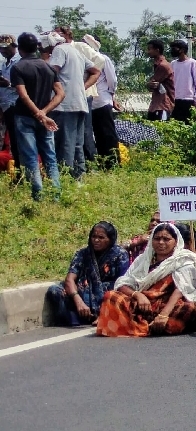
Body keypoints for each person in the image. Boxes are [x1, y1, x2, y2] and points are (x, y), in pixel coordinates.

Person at [96, 223, 196, 337]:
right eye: (157, 239)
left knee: (190, 308)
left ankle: (155, 325)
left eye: (166, 239)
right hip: (142, 305)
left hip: (168, 306)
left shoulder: (183, 260)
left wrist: (164, 314)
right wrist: (138, 295)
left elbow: (182, 289)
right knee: (111, 296)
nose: (161, 243)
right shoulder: (143, 260)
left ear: (176, 242)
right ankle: (146, 327)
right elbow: (123, 283)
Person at [9, 33, 63, 201]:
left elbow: (23, 96)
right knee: (50, 156)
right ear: (37, 47)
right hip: (46, 120)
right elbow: (61, 94)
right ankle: (56, 195)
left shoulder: (18, 68)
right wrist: (44, 113)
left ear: (20, 48)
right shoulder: (48, 67)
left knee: (31, 156)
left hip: (25, 117)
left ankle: (38, 195)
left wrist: (38, 113)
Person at [45, 222, 128, 327]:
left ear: (110, 239)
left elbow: (122, 283)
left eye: (101, 237)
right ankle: (78, 318)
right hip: (84, 294)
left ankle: (104, 316)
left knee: (111, 292)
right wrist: (78, 301)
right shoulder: (83, 254)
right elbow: (70, 279)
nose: (96, 240)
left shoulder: (120, 255)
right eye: (94, 236)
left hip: (107, 296)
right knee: (55, 290)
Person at [41, 33, 94, 181]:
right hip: (79, 102)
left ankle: (64, 178)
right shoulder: (75, 51)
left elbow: (51, 71)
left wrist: (44, 61)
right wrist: (82, 88)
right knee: (77, 144)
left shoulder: (59, 51)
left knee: (65, 144)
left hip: (64, 105)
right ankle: (78, 178)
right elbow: (96, 70)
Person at [85, 37, 117, 168]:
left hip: (103, 101)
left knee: (107, 135)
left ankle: (112, 163)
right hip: (90, 103)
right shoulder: (83, 59)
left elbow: (112, 80)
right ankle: (102, 164)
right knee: (96, 136)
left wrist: (111, 95)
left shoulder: (103, 58)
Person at [168, 40, 196, 121]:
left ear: (182, 50)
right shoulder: (173, 64)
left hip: (189, 100)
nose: (172, 50)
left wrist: (195, 99)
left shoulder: (192, 63)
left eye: (175, 48)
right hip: (175, 101)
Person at [141, 39, 173, 121]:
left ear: (157, 50)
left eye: (149, 49)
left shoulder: (163, 66)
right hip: (156, 104)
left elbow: (152, 84)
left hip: (163, 105)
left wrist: (149, 84)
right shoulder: (158, 65)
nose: (148, 52)